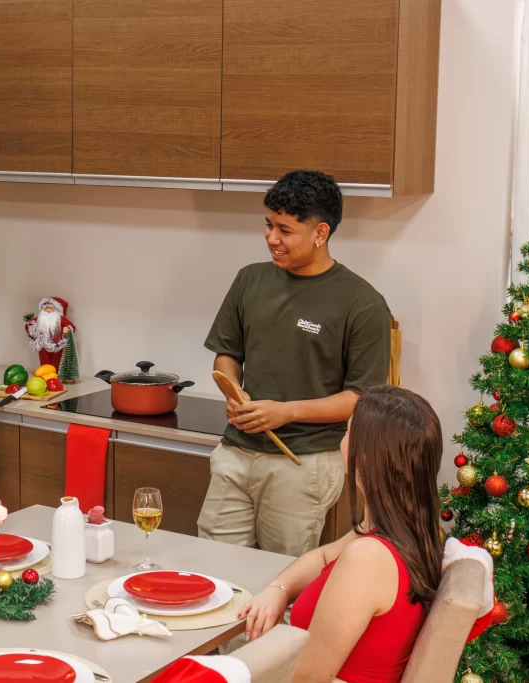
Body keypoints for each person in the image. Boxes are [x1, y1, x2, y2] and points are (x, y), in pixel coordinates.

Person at [198, 170, 392, 557]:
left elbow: (361, 398)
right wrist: (233, 391)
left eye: (285, 230)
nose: (272, 238)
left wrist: (284, 413)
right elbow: (227, 353)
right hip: (235, 452)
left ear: (320, 233)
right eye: (269, 225)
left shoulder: (363, 303)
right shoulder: (249, 280)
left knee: (278, 580)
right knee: (214, 567)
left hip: (303, 464)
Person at [239, 385, 443, 683]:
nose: (341, 442)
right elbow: (322, 555)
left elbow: (308, 676)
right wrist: (278, 589)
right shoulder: (405, 532)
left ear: (367, 457)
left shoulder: (369, 558)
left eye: (347, 433)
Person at [25, 296, 76, 369]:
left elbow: (72, 327)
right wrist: (33, 326)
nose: (48, 310)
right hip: (43, 344)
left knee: (56, 359)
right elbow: (28, 326)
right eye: (46, 308)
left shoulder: (60, 319)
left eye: (51, 308)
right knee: (44, 359)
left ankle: (55, 374)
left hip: (56, 344)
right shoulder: (39, 319)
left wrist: (67, 330)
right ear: (43, 309)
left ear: (55, 309)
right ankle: (45, 373)